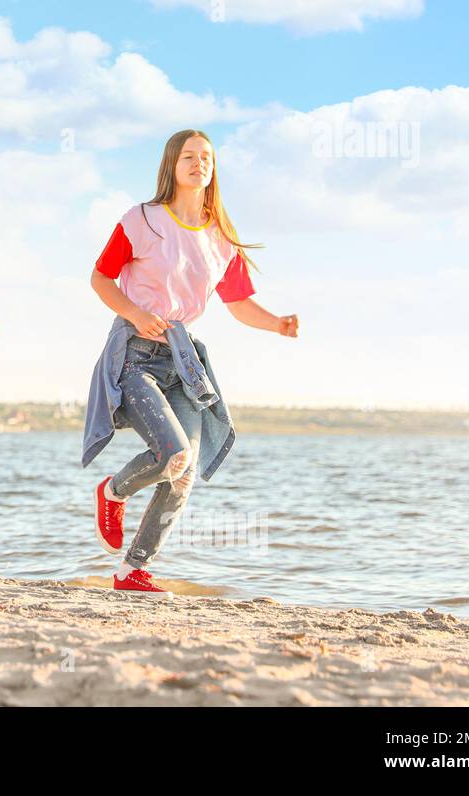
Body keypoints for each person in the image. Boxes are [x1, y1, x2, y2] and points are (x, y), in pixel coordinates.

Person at [86, 129, 299, 593]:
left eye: (206, 157)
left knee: (183, 472)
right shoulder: (142, 219)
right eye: (189, 156)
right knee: (173, 453)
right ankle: (112, 491)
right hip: (135, 352)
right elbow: (101, 279)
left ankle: (133, 571)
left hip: (183, 361)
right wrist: (137, 314)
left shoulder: (220, 235)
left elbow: (239, 303)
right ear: (172, 164)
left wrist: (277, 323)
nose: (199, 162)